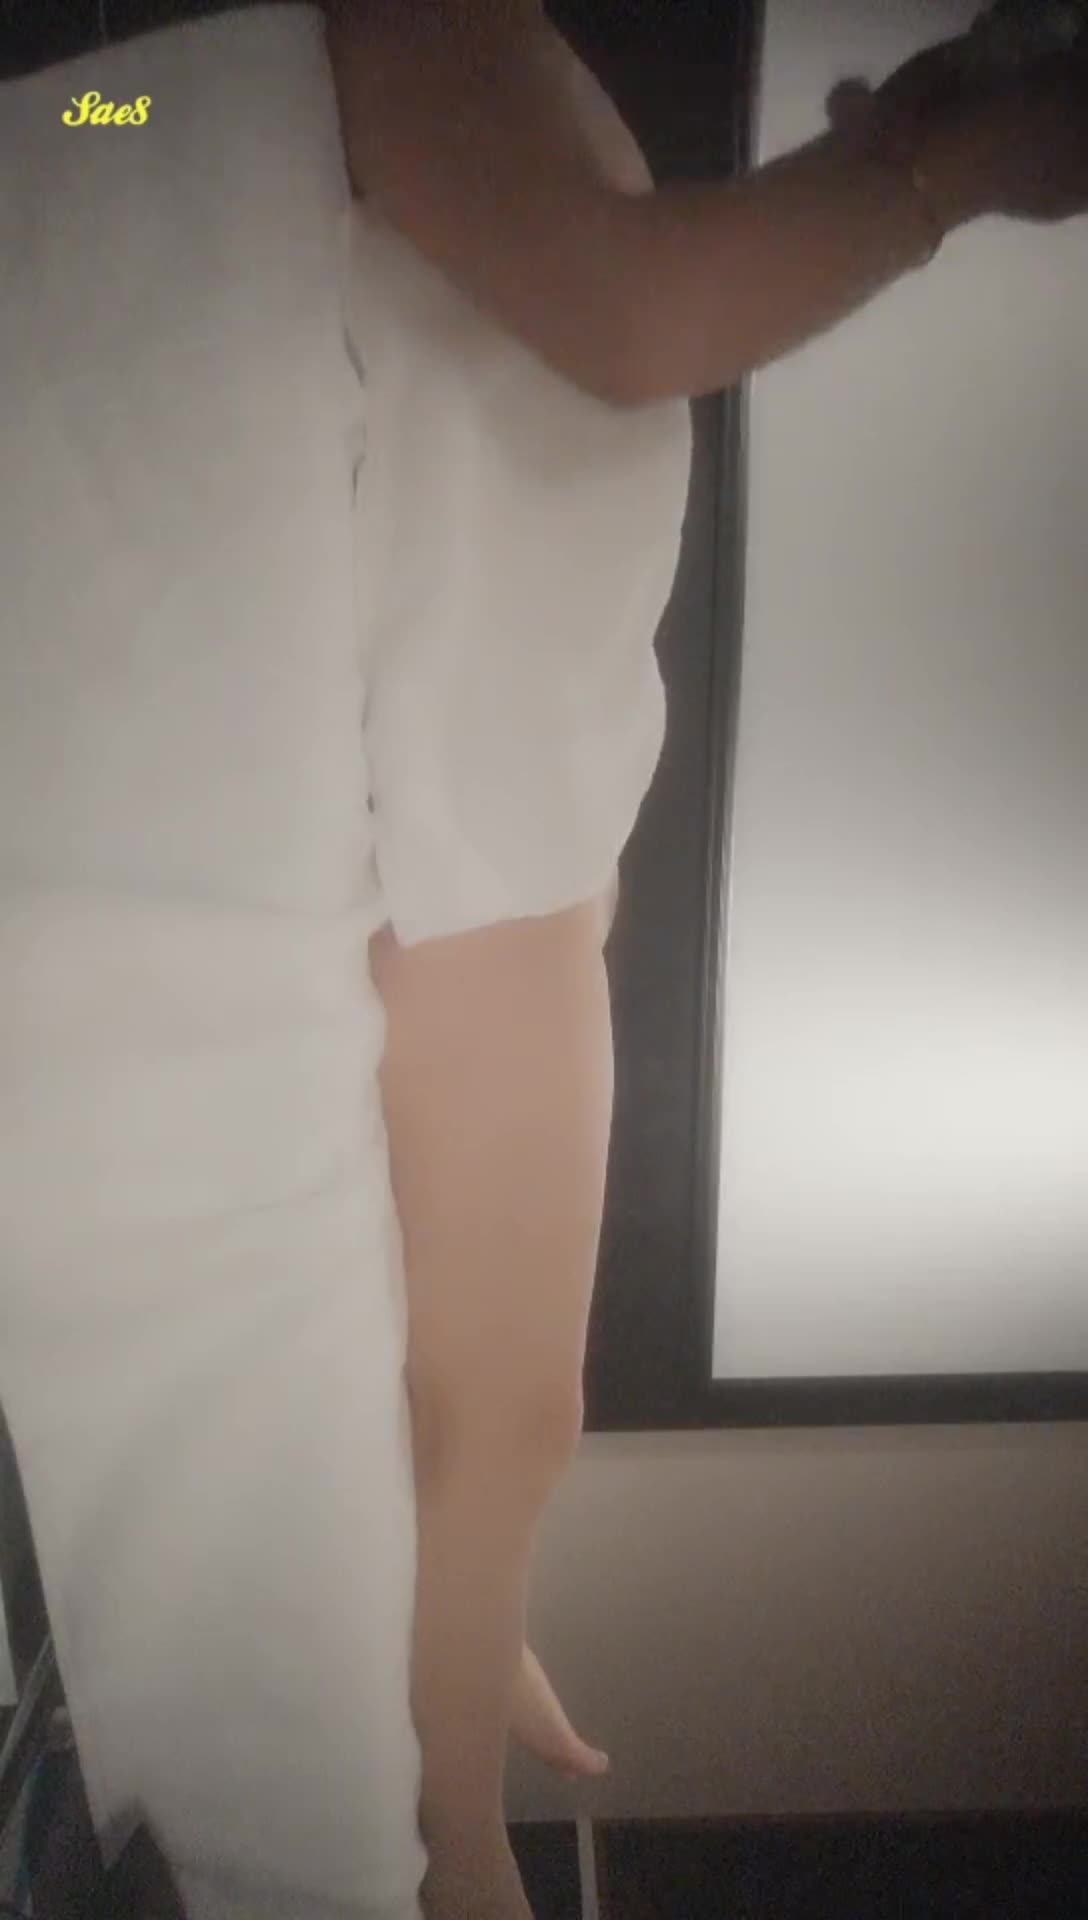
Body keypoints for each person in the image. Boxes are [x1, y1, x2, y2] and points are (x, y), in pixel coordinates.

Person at [1, 5, 1086, 1920]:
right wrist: (943, 163)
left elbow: (102, 120)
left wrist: (120, 108)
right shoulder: (372, 37)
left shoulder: (239, 72)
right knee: (469, 1452)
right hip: (425, 951)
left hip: (409, 919)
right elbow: (624, 311)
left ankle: (417, 1765)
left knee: (455, 1444)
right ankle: (427, 1801)